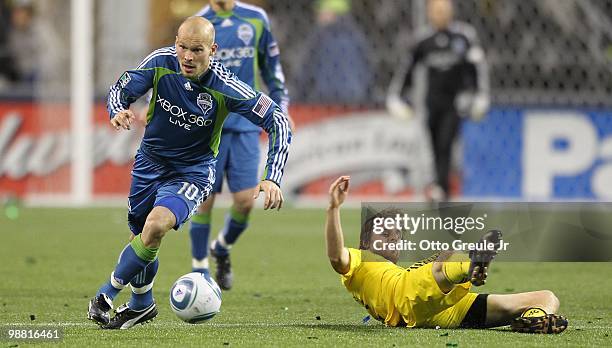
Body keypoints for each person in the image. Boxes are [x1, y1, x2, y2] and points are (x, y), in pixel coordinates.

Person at [87, 16, 291, 330]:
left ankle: (106, 292)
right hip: (148, 163)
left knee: (155, 226)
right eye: (182, 46)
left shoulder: (227, 86)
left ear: (213, 50)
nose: (187, 56)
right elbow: (120, 89)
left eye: (197, 50)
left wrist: (272, 175)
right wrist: (118, 110)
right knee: (141, 236)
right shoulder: (160, 62)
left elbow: (277, 121)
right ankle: (142, 304)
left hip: (192, 172)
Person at [325, 175, 568, 333]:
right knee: (444, 260)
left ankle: (536, 319)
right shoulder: (358, 260)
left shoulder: (397, 271)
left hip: (440, 311)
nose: (393, 239)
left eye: (397, 235)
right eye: (384, 233)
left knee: (547, 297)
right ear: (366, 241)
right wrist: (334, 208)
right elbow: (336, 257)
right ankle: (471, 265)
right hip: (402, 298)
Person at [190, 0, 292, 290]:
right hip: (209, 125)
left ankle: (221, 247)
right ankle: (199, 271)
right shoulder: (199, 23)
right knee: (202, 201)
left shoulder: (256, 19)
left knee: (246, 202)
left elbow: (272, 68)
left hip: (246, 124)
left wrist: (282, 108)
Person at [387, 0, 490, 201]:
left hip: (455, 102)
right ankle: (440, 187)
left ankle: (441, 188)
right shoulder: (424, 40)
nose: (440, 14)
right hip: (432, 103)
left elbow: (477, 68)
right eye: (436, 10)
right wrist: (397, 97)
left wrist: (480, 96)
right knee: (434, 144)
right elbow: (407, 70)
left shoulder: (463, 36)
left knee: (446, 143)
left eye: (444, 9)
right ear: (429, 13)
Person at [296, 0, 372, 104]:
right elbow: (369, 71)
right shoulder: (356, 36)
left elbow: (304, 74)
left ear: (330, 13)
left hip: (324, 100)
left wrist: (295, 99)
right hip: (355, 99)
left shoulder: (319, 37)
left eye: (320, 12)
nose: (317, 16)